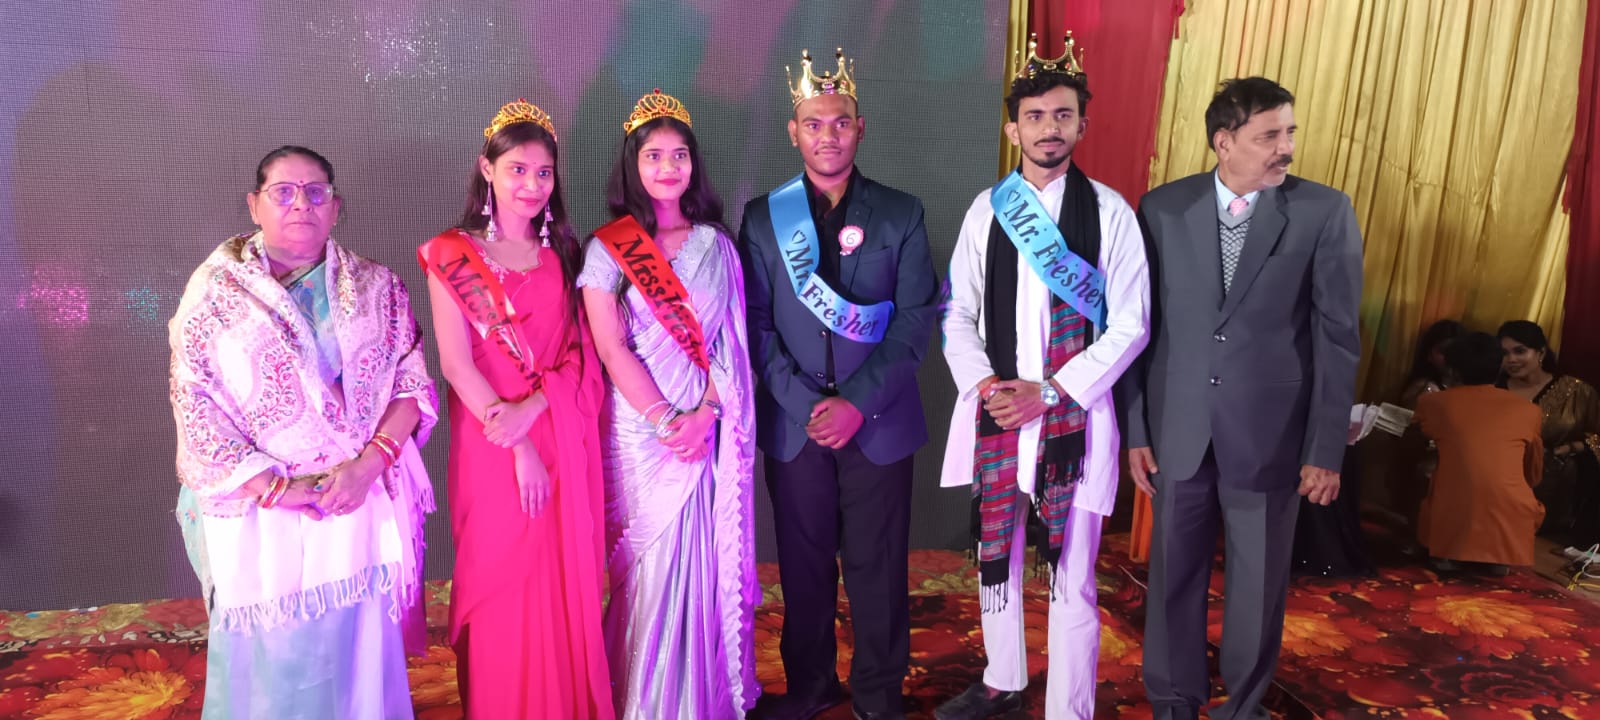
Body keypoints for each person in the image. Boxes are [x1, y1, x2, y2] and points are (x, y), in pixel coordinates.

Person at [1120, 77, 1363, 720]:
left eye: (1289, 132)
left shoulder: (1324, 211)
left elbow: (1337, 339)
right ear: (1223, 142)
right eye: (1269, 136)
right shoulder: (1162, 208)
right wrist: (1136, 429)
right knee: (1172, 576)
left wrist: (1324, 450)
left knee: (1257, 585)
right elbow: (1138, 330)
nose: (1286, 147)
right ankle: (1174, 699)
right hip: (1179, 431)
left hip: (1272, 435)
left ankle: (1243, 706)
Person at [169, 145, 436, 719]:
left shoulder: (377, 288)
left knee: (356, 646)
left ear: (335, 208)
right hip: (261, 509)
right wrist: (274, 489)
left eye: (316, 193)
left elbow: (412, 384)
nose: (301, 205)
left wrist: (366, 468)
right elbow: (193, 401)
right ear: (254, 205)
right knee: (276, 657)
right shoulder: (215, 294)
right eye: (283, 192)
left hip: (355, 497)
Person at [934, 34, 1148, 720]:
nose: (1049, 128)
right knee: (995, 556)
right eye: (1035, 116)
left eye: (1062, 115)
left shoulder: (1111, 213)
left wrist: (1052, 391)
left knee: (1071, 576)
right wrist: (987, 388)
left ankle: (1068, 709)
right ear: (1013, 130)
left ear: (1082, 124)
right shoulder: (987, 210)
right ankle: (1003, 679)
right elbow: (956, 312)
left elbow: (1132, 324)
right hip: (999, 412)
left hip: (1073, 418)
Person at [738, 48, 939, 720]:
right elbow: (755, 327)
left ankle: (879, 694)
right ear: (793, 132)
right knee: (803, 565)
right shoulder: (763, 219)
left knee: (878, 568)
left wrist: (855, 404)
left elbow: (914, 322)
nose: (828, 135)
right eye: (814, 123)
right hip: (796, 428)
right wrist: (807, 406)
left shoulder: (901, 213)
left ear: (861, 128)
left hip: (878, 423)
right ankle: (811, 685)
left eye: (841, 122)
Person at [419, 99, 613, 719]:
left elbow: (583, 355)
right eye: (517, 170)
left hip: (560, 432)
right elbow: (456, 365)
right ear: (488, 169)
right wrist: (519, 439)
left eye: (544, 172)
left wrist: (535, 408)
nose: (532, 185)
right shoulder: (452, 253)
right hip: (493, 441)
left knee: (560, 578)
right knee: (503, 576)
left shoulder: (567, 255)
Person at [580, 89, 759, 719]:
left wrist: (705, 416)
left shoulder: (716, 245)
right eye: (653, 155)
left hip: (704, 430)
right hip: (640, 432)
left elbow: (730, 345)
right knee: (648, 571)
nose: (667, 167)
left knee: (701, 567)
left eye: (679, 154)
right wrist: (665, 420)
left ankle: (697, 701)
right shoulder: (608, 248)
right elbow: (610, 347)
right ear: (633, 164)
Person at [1414, 332, 1544, 575]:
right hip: (1514, 511)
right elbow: (1533, 471)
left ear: (1452, 370)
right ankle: (1494, 555)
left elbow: (1413, 447)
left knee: (1425, 470)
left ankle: (1442, 547)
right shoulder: (1529, 410)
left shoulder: (1434, 402)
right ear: (1499, 367)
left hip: (1453, 511)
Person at [1498, 320, 1600, 545]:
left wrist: (1572, 447)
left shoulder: (1576, 391)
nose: (1511, 359)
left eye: (1520, 351)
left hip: (1556, 497)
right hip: (1498, 492)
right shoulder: (1492, 389)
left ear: (1541, 353)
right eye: (1504, 353)